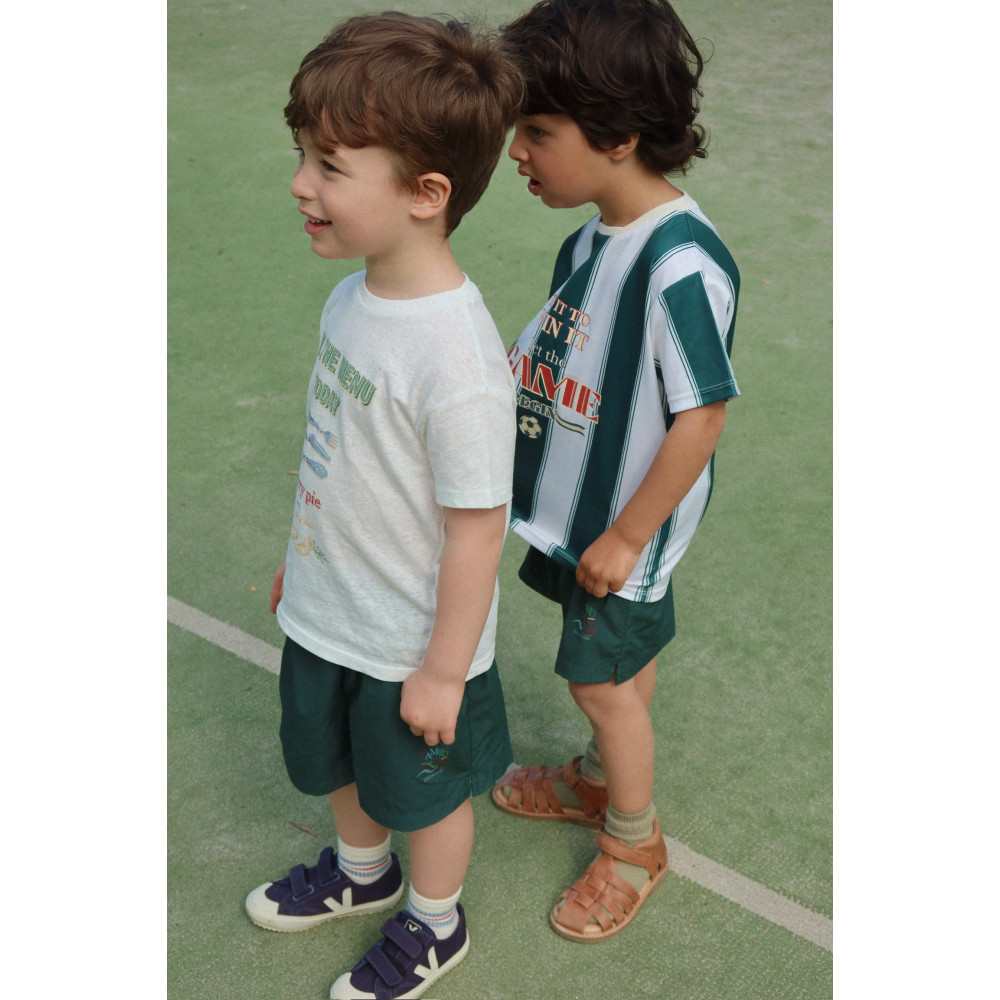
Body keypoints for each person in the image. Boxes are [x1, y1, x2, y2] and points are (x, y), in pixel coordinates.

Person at [243, 13, 522, 999]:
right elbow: (341, 456)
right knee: (335, 759)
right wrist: (303, 560)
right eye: (302, 156)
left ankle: (435, 922)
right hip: (331, 608)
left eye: (328, 165)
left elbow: (478, 529)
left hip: (412, 644)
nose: (300, 184)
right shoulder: (352, 299)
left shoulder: (457, 362)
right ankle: (362, 872)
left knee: (424, 793)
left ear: (425, 194)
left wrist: (444, 669)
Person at [493, 0, 741, 942]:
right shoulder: (591, 237)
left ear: (618, 136)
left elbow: (702, 413)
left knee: (600, 684)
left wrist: (629, 535)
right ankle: (599, 779)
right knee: (620, 670)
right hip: (578, 514)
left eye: (537, 132)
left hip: (617, 530)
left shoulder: (677, 264)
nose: (517, 151)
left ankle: (634, 843)